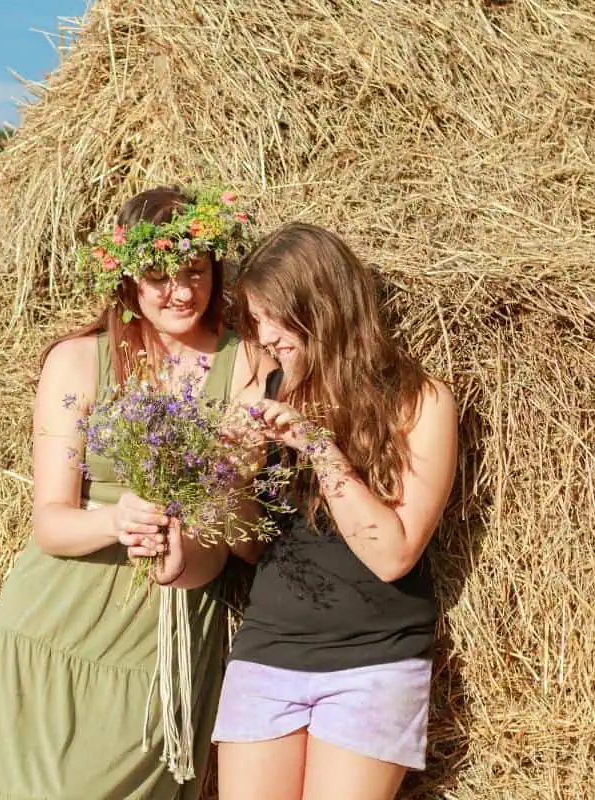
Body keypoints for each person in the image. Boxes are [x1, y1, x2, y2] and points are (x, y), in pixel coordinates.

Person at [0, 186, 272, 798]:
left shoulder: (247, 365)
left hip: (160, 641)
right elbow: (50, 521)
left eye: (195, 272)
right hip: (52, 628)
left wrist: (181, 550)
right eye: (158, 276)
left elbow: (242, 536)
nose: (180, 292)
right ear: (126, 277)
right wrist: (117, 521)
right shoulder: (78, 362)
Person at [208, 222, 459, 800]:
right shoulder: (262, 393)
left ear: (320, 306)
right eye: (257, 320)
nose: (266, 336)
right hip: (268, 653)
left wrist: (318, 446)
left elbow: (392, 554)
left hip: (374, 662)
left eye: (275, 317)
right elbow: (250, 549)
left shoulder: (419, 401)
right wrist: (235, 477)